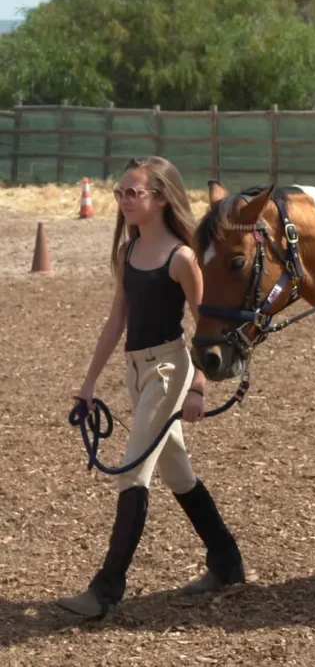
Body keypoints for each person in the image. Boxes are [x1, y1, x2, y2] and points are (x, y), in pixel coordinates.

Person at [58, 157, 245, 619]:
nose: (123, 201)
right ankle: (226, 559)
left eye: (133, 193)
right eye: (120, 193)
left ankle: (105, 591)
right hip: (136, 372)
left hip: (168, 371)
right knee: (178, 474)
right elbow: (116, 321)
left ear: (160, 198)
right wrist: (88, 382)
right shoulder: (128, 252)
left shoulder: (181, 258)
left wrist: (198, 385)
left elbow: (205, 326)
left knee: (133, 472)